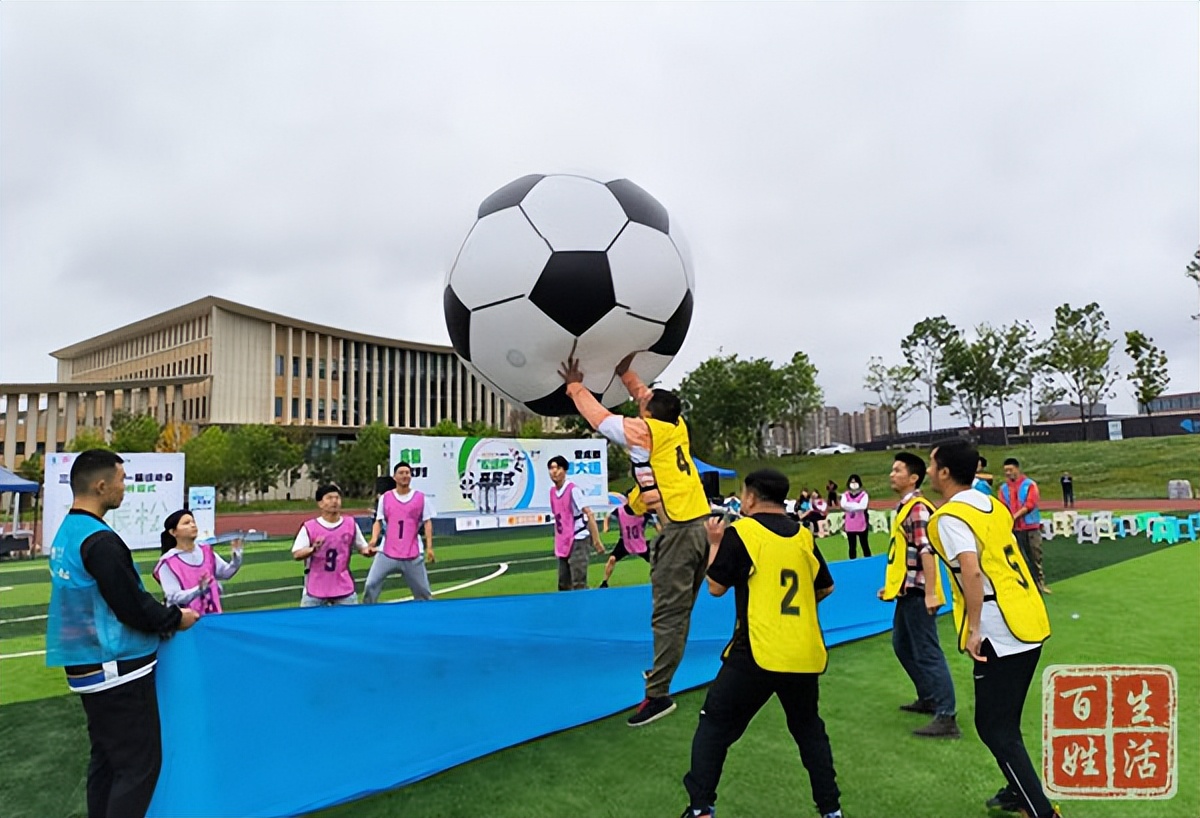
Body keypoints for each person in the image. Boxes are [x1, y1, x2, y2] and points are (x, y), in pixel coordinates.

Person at [44, 449, 199, 818]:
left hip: (88, 664)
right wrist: (174, 618)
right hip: (116, 668)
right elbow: (131, 605)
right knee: (138, 767)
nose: (124, 487)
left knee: (108, 760)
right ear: (101, 486)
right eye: (121, 480)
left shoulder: (68, 531)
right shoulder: (99, 541)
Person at [560, 353, 711, 726]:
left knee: (668, 614)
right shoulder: (676, 426)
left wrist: (575, 385)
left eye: (643, 403)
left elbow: (599, 419)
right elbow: (648, 396)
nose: (639, 401)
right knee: (680, 612)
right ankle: (664, 676)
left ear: (648, 414)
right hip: (699, 526)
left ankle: (657, 696)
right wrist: (626, 372)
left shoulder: (644, 431)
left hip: (676, 529)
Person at [682, 469, 843, 818]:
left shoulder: (743, 531)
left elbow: (715, 586)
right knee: (809, 731)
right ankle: (831, 809)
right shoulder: (802, 535)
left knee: (714, 726)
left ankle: (700, 807)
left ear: (751, 497)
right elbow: (825, 587)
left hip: (755, 651)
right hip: (802, 652)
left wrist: (713, 544)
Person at [925, 438, 1057, 818]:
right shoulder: (992, 505)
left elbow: (972, 569)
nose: (930, 471)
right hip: (1027, 618)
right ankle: (1019, 792)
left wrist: (973, 629)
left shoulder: (951, 517)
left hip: (1000, 631)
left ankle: (1040, 811)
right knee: (1002, 724)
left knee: (995, 728)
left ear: (945, 472)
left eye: (933, 465)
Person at [877, 453, 958, 738]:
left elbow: (927, 550)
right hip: (907, 590)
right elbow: (904, 553)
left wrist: (932, 593)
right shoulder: (905, 508)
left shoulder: (917, 509)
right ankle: (929, 698)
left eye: (898, 470)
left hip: (919, 592)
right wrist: (893, 585)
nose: (892, 474)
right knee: (903, 645)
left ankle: (946, 715)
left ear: (913, 478)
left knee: (927, 652)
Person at [364, 461, 437, 603]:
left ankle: (428, 616)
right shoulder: (386, 498)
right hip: (387, 551)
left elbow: (427, 522)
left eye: (407, 473)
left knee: (423, 592)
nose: (405, 476)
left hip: (412, 553)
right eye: (401, 473)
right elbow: (378, 521)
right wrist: (373, 539)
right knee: (371, 584)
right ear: (394, 477)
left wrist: (429, 548)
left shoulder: (421, 498)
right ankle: (368, 611)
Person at [293, 483, 376, 606]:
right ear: (320, 503)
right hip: (316, 588)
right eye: (329, 498)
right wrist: (313, 549)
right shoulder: (309, 527)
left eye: (337, 498)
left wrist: (369, 551)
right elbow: (297, 554)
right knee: (308, 623)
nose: (334, 501)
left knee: (350, 622)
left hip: (343, 587)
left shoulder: (350, 524)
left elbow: (362, 547)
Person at [153, 510, 243, 615]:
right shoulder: (168, 562)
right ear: (173, 532)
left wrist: (236, 559)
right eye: (186, 523)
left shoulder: (206, 551)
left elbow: (225, 574)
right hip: (186, 623)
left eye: (193, 522)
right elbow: (173, 597)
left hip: (213, 617)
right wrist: (198, 590)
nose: (192, 525)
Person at [547, 455, 605, 590]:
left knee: (578, 581)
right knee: (563, 582)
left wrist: (596, 540)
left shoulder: (573, 490)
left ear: (565, 470)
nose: (554, 471)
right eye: (551, 468)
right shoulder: (552, 492)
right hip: (563, 539)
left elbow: (588, 513)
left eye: (558, 468)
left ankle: (586, 608)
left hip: (578, 538)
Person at [999, 458, 1049, 594]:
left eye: (1010, 470)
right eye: (1005, 471)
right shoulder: (1003, 489)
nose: (1008, 473)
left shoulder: (1029, 485)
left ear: (1017, 469)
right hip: (1014, 529)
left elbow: (1030, 504)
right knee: (1018, 557)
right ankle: (1023, 585)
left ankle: (1039, 583)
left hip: (1031, 527)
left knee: (1035, 555)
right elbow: (1002, 506)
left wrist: (1014, 517)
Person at [600, 490, 661, 588]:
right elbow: (607, 516)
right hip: (624, 541)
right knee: (612, 559)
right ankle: (604, 583)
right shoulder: (620, 511)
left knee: (655, 561)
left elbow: (655, 524)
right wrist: (605, 527)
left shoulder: (643, 513)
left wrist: (661, 533)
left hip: (639, 543)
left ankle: (659, 579)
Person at [840, 475, 871, 558]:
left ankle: (869, 562)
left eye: (855, 482)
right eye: (852, 482)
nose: (853, 484)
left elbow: (863, 506)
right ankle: (852, 563)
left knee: (864, 544)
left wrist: (850, 505)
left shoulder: (864, 495)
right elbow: (843, 505)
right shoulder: (845, 495)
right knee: (852, 547)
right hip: (850, 524)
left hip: (861, 523)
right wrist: (856, 505)